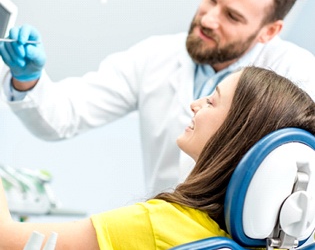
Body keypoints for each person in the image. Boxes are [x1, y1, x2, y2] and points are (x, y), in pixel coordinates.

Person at [1, 0, 315, 195]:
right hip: (162, 234)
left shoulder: (298, 77)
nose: (208, 19)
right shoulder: (155, 57)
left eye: (232, 17)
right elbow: (64, 116)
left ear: (269, 31)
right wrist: (27, 80)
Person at [0, 66, 313, 250]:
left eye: (212, 101)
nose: (195, 104)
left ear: (236, 134)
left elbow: (6, 240)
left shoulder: (160, 224)